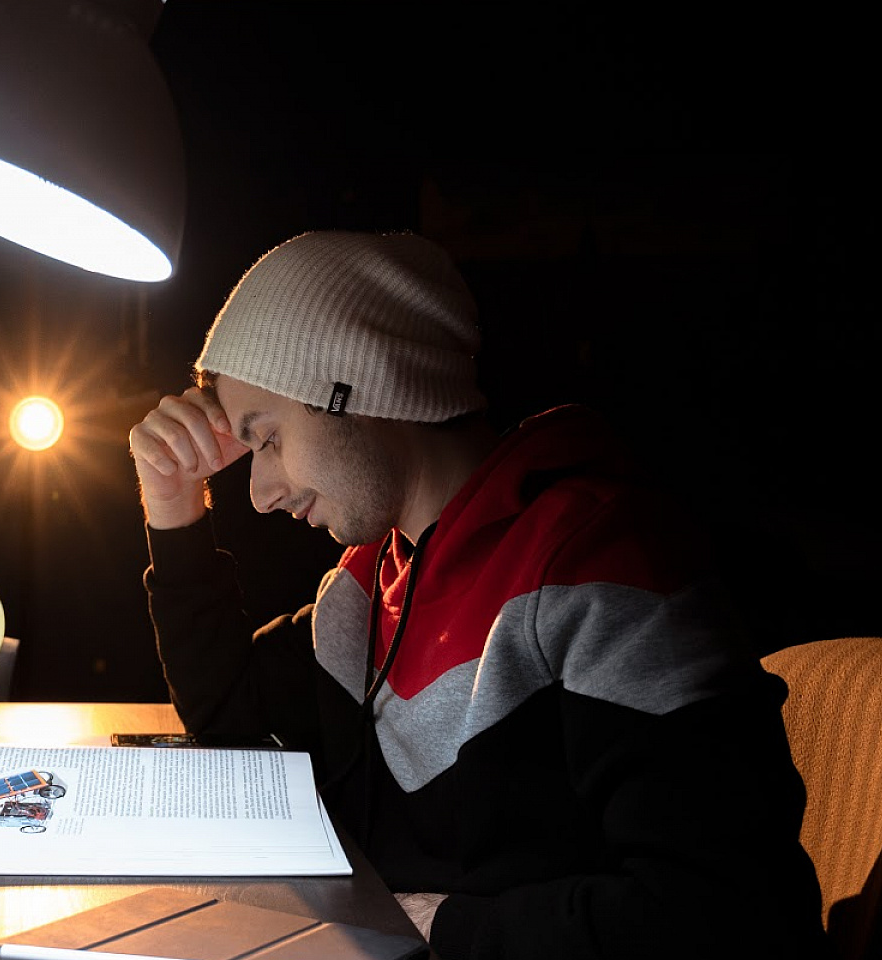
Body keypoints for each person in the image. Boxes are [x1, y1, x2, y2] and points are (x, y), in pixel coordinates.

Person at [127, 230, 831, 960]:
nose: (264, 493)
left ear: (356, 386)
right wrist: (173, 504)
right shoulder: (376, 580)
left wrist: (441, 926)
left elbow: (725, 911)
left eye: (266, 438)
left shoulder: (600, 563)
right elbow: (228, 720)